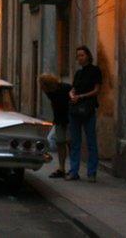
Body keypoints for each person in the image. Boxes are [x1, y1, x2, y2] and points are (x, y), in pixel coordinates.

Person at [66, 46, 102, 182]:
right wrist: (71, 95)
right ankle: (74, 171)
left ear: (88, 56)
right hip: (75, 110)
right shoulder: (78, 73)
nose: (79, 58)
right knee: (75, 142)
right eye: (78, 56)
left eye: (82, 55)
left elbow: (97, 90)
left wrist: (81, 97)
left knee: (91, 141)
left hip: (88, 110)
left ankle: (92, 172)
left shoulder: (95, 71)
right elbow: (73, 89)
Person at [38, 73, 73, 178]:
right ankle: (62, 168)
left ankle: (73, 169)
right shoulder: (49, 93)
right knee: (60, 143)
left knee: (70, 143)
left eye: (42, 85)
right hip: (59, 120)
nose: (41, 88)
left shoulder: (65, 88)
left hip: (69, 119)